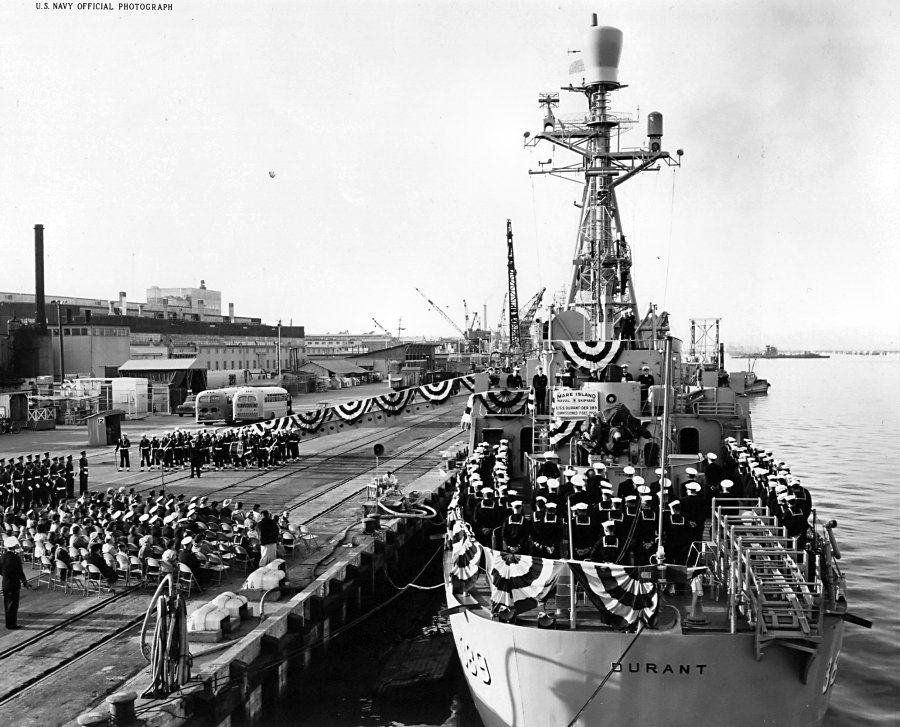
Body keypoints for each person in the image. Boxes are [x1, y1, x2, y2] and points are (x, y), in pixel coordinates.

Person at [0, 536, 31, 629]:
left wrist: (6, 575)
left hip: (5, 583)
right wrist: (24, 581)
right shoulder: (15, 557)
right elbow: (19, 571)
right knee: (13, 605)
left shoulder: (2, 556)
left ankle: (8, 622)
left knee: (7, 604)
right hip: (13, 584)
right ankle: (12, 624)